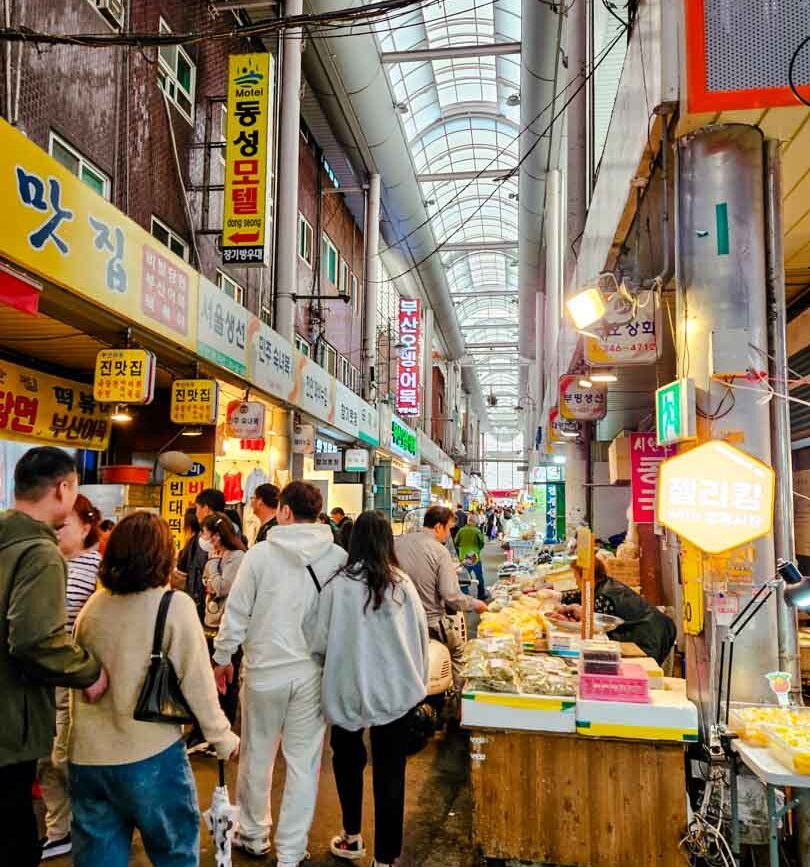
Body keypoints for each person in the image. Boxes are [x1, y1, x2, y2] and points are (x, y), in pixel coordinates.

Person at [68, 512, 239, 867]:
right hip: (151, 755)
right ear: (163, 556)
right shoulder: (172, 605)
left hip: (87, 757)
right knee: (173, 853)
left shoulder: (93, 608)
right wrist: (222, 738)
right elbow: (197, 682)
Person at [213, 481, 347, 865]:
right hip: (313, 673)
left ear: (284, 511)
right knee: (304, 763)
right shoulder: (336, 557)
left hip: (264, 672)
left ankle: (254, 834)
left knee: (256, 754)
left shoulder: (260, 556)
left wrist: (223, 656)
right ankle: (290, 851)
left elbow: (236, 612)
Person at [0, 447, 107, 867]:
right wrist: (88, 671)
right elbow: (33, 640)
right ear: (62, 489)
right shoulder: (41, 554)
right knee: (12, 835)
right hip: (11, 721)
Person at [310, 511, 429, 867]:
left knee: (347, 763)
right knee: (391, 774)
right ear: (387, 542)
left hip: (346, 691)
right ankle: (385, 858)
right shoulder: (402, 585)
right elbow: (420, 639)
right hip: (396, 693)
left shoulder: (336, 586)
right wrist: (417, 680)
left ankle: (352, 837)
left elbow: (318, 642)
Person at [39, 494, 104, 861]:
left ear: (86, 526)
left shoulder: (97, 570)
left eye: (62, 525)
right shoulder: (48, 564)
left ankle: (84, 827)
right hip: (41, 679)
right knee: (44, 761)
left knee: (63, 758)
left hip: (73, 682)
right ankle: (57, 830)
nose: (56, 532)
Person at [394, 506, 486, 710]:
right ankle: (461, 709)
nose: (449, 534)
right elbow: (451, 595)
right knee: (461, 654)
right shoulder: (440, 551)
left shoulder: (397, 543)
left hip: (398, 623)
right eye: (449, 529)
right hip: (432, 624)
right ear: (438, 527)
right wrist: (476, 604)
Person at [186, 512, 246, 750]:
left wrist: (211, 564)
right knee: (210, 680)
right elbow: (208, 584)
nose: (203, 538)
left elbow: (222, 586)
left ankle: (224, 733)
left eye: (206, 533)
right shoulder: (222, 556)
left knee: (226, 684)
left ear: (218, 536)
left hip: (227, 629)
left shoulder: (237, 557)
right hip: (210, 624)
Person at [553, 558, 677, 666]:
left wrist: (573, 615)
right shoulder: (603, 583)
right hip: (657, 627)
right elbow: (581, 594)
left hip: (649, 634)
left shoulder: (603, 596)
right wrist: (559, 597)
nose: (575, 582)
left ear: (585, 576)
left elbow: (596, 628)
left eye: (576, 577)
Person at [454, 519, 487, 601]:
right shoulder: (477, 531)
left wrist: (460, 549)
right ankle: (481, 594)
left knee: (463, 577)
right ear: (474, 523)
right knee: (479, 576)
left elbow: (456, 541)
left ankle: (465, 595)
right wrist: (478, 549)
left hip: (464, 557)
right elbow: (482, 542)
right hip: (475, 557)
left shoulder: (461, 530)